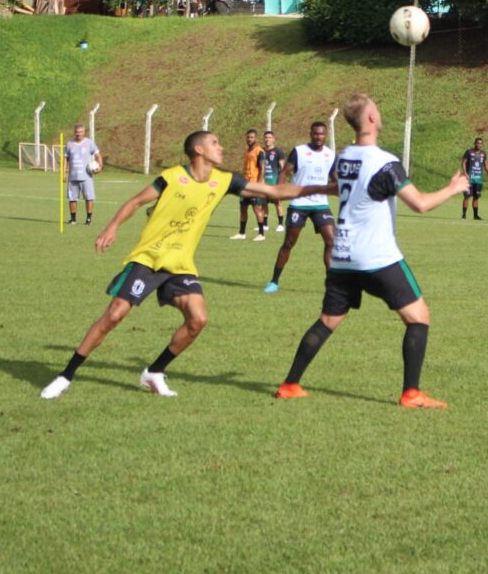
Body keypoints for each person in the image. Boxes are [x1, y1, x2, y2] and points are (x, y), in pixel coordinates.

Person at [40, 131, 328, 400]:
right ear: (198, 150)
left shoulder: (225, 180)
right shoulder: (173, 176)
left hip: (180, 264)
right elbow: (137, 201)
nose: (221, 147)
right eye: (215, 143)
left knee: (198, 320)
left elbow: (274, 193)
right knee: (114, 315)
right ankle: (66, 375)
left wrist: (327, 188)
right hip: (149, 258)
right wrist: (112, 226)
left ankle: (154, 372)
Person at [273, 94, 469, 408]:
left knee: (328, 320)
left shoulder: (346, 155)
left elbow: (343, 186)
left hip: (342, 255)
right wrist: (452, 188)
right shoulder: (385, 162)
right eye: (376, 107)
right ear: (372, 119)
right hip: (375, 256)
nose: (379, 110)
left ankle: (290, 384)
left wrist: (312, 189)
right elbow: (419, 204)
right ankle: (412, 394)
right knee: (419, 317)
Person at [263, 121, 336, 293]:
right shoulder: (300, 152)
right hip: (299, 203)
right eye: (316, 133)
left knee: (331, 241)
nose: (319, 137)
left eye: (322, 134)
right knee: (289, 243)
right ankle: (274, 281)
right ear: (310, 134)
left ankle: (332, 284)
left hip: (320, 204)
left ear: (326, 135)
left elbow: (334, 177)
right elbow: (285, 172)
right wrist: (278, 192)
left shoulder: (330, 155)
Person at [231, 129, 267, 241]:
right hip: (245, 184)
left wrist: (259, 184)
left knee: (256, 209)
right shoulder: (248, 151)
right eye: (248, 137)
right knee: (243, 208)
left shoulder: (259, 151)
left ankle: (261, 234)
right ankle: (242, 233)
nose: (249, 139)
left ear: (256, 138)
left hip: (254, 185)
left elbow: (263, 169)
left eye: (252, 137)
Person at [64, 124, 102, 226]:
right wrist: (64, 173)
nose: (78, 134)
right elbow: (66, 159)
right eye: (77, 132)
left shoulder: (90, 143)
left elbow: (98, 155)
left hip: (86, 177)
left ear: (84, 132)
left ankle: (88, 219)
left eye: (80, 132)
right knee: (72, 198)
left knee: (89, 198)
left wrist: (100, 166)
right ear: (74, 132)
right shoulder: (69, 144)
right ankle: (73, 219)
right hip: (73, 177)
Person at [460, 137, 488, 220]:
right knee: (467, 196)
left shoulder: (483, 154)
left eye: (480, 143)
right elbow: (463, 163)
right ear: (474, 143)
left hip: (478, 180)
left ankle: (475, 216)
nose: (479, 145)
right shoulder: (469, 152)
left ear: (482, 145)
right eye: (477, 143)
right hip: (469, 180)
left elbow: (486, 165)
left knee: (476, 197)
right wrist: (465, 173)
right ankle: (464, 215)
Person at [262, 130, 287, 232]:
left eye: (269, 137)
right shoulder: (261, 151)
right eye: (266, 137)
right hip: (264, 182)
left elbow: (283, 168)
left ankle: (281, 224)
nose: (267, 139)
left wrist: (281, 182)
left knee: (278, 203)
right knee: (264, 203)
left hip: (274, 181)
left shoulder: (278, 152)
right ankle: (265, 225)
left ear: (273, 139)